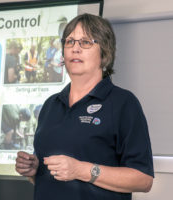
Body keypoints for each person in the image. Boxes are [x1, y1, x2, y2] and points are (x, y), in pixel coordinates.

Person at [15, 13, 154, 200]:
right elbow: (49, 177)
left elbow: (143, 180)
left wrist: (81, 170)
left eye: (86, 42)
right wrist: (34, 171)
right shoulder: (50, 105)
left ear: (104, 52)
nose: (75, 49)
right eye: (70, 42)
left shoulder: (123, 103)